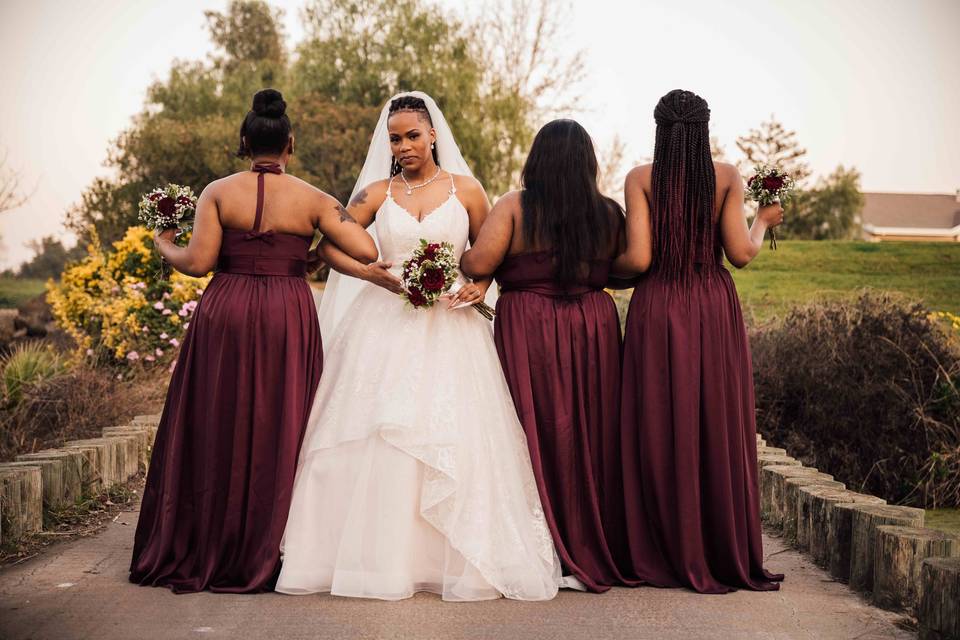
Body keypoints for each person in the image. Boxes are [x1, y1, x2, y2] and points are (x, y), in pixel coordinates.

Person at [276, 92, 561, 602]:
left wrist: (480, 283)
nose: (404, 146)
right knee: (377, 433)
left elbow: (488, 251)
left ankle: (454, 557)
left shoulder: (468, 191)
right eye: (394, 138)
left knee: (454, 432)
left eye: (412, 135)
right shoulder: (375, 193)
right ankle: (373, 561)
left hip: (452, 325)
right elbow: (328, 246)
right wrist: (370, 274)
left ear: (433, 135)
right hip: (383, 323)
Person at [130, 89, 377, 593]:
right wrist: (310, 251)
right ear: (291, 144)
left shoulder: (218, 192)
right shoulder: (314, 198)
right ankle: (269, 545)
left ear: (244, 142)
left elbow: (198, 263)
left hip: (227, 308)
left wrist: (165, 245)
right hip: (286, 310)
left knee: (215, 417)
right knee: (280, 419)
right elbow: (365, 247)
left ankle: (207, 538)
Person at [616, 89, 785, 593]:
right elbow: (741, 255)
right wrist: (763, 221)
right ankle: (713, 547)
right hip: (711, 307)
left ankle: (660, 547)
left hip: (659, 306)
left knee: (656, 425)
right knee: (714, 421)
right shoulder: (727, 177)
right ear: (703, 130)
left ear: (659, 129)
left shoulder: (640, 179)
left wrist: (600, 270)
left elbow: (639, 259)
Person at [460, 119, 638, 592]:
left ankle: (540, 545)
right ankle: (591, 540)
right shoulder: (607, 214)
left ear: (536, 159)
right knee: (589, 428)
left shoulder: (514, 208)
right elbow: (620, 270)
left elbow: (477, 263)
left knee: (528, 427)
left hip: (529, 324)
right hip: (592, 326)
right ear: (587, 163)